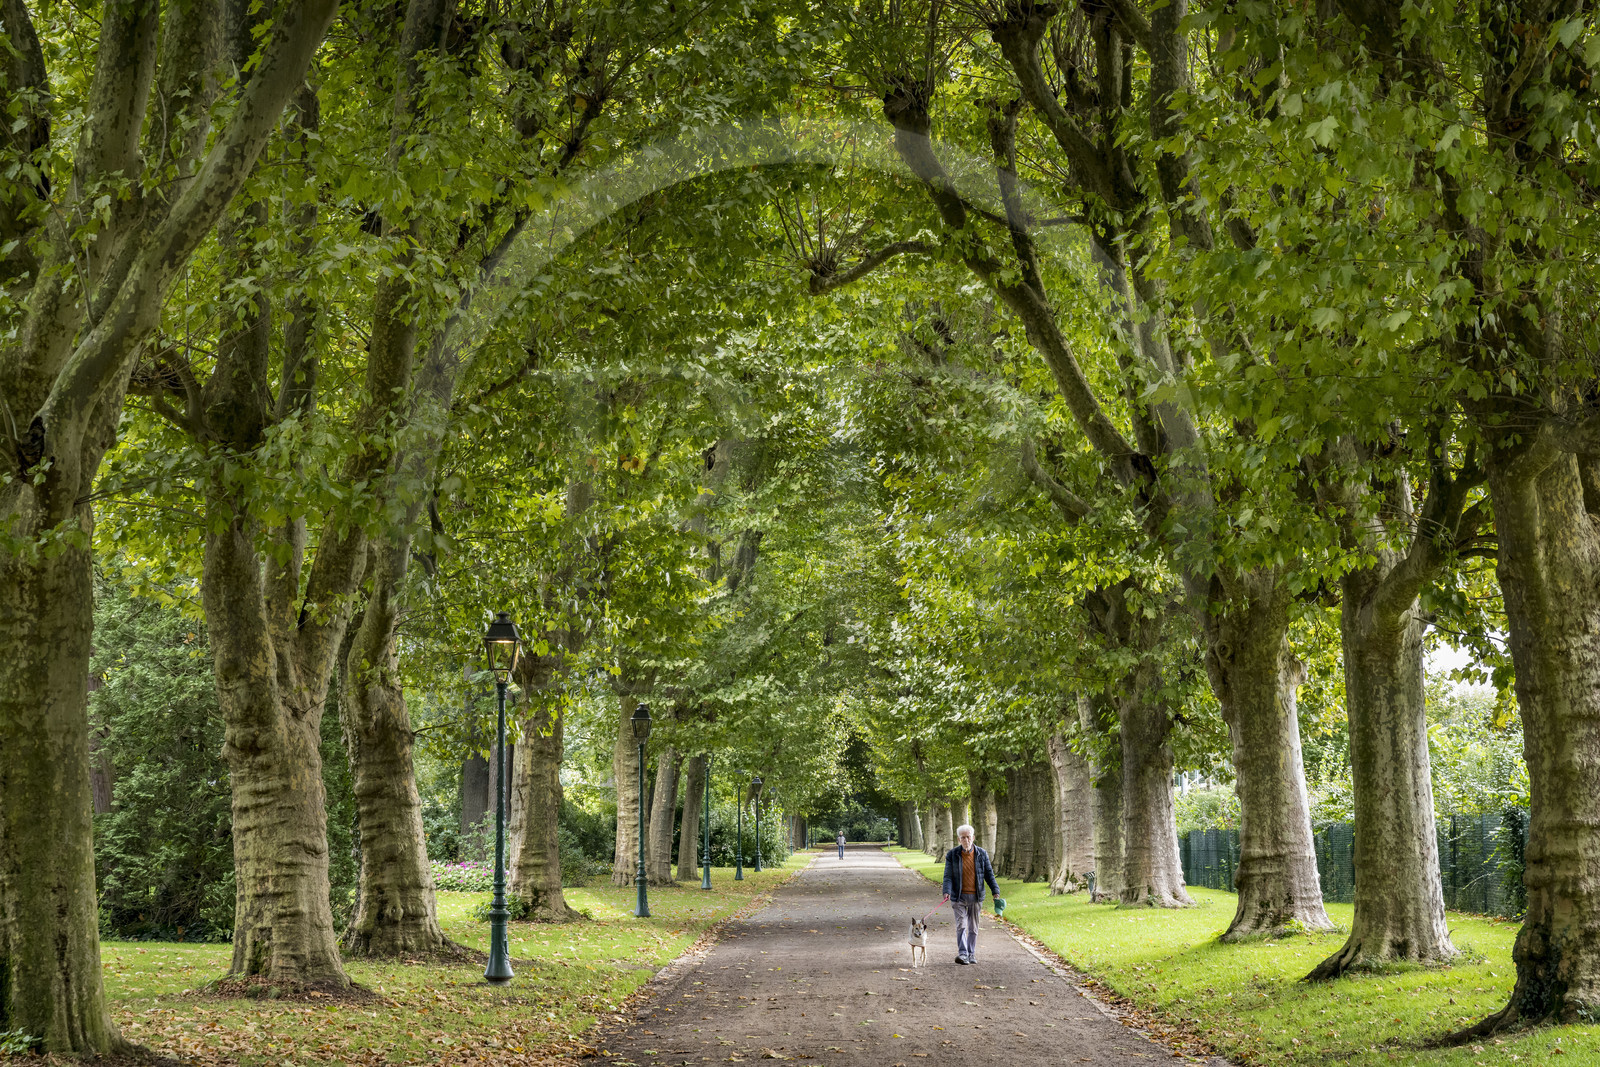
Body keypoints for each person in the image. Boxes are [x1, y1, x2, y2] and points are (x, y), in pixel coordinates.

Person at [941, 823, 999, 965]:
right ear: (958, 839)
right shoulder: (952, 855)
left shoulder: (982, 854)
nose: (966, 840)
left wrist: (995, 890)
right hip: (958, 897)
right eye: (963, 838)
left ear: (973, 837)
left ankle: (971, 954)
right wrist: (946, 891)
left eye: (968, 837)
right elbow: (947, 876)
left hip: (976, 897)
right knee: (961, 925)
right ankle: (963, 953)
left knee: (973, 927)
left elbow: (989, 874)